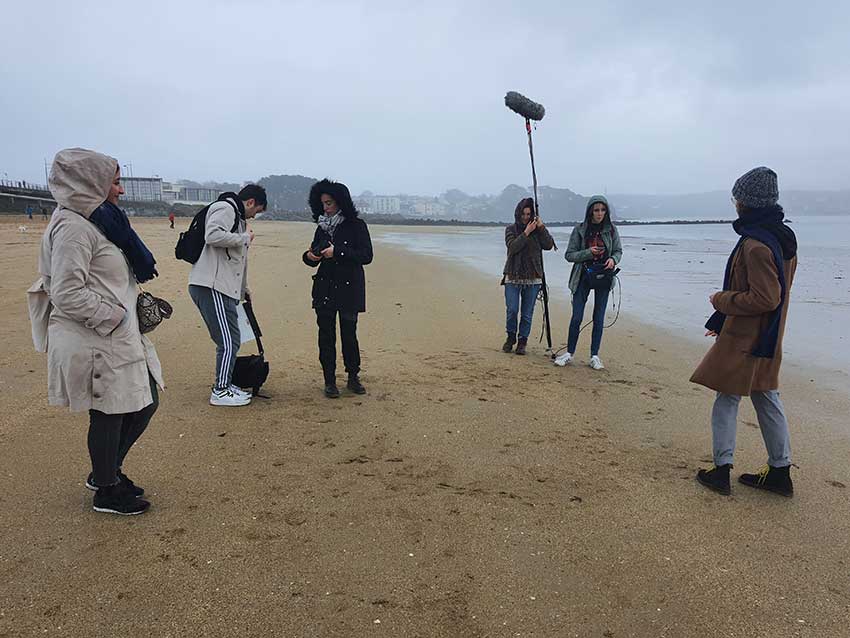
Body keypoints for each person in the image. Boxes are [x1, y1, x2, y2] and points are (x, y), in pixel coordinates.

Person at [28, 148, 164, 515]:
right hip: (94, 336)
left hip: (114, 334)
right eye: (114, 182)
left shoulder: (98, 219)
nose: (119, 190)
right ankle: (106, 487)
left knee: (142, 402)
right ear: (91, 182)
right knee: (111, 410)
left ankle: (107, 472)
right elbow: (67, 292)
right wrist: (117, 316)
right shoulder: (73, 225)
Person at [693, 167, 798, 497]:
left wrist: (721, 301)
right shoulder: (784, 239)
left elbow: (766, 297)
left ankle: (720, 470)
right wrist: (721, 321)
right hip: (768, 336)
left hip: (747, 338)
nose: (735, 203)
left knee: (727, 397)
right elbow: (776, 296)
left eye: (737, 198)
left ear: (748, 203)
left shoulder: (755, 245)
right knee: (767, 397)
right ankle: (780, 471)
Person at [189, 185, 266, 406]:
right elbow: (212, 235)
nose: (255, 215)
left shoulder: (237, 218)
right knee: (228, 340)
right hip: (211, 286)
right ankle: (220, 390)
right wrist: (243, 238)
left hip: (220, 286)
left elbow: (237, 262)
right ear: (250, 202)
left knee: (231, 338)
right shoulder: (226, 207)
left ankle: (226, 383)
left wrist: (244, 290)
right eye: (257, 210)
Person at [302, 179, 373, 398]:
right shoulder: (321, 227)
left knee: (349, 335)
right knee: (325, 336)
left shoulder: (357, 225)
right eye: (323, 203)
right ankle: (329, 381)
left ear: (341, 202)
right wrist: (309, 256)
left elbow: (366, 256)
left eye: (329, 203)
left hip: (349, 288)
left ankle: (353, 376)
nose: (325, 207)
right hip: (324, 287)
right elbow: (313, 256)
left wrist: (338, 252)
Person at [554, 195, 622, 370]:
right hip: (582, 276)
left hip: (604, 277)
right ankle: (569, 353)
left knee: (598, 318)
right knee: (577, 316)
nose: (599, 213)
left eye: (602, 209)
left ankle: (594, 356)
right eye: (596, 210)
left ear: (606, 211)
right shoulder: (580, 230)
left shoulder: (612, 230)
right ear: (590, 211)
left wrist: (613, 260)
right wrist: (588, 253)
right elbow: (569, 255)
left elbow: (618, 251)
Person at [501, 197, 555, 355]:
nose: (525, 217)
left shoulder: (538, 230)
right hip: (513, 275)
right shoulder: (510, 229)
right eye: (523, 213)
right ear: (518, 214)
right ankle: (511, 337)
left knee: (526, 314)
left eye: (529, 214)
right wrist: (526, 232)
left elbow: (549, 245)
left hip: (533, 277)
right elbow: (512, 248)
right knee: (512, 309)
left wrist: (541, 227)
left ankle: (522, 341)